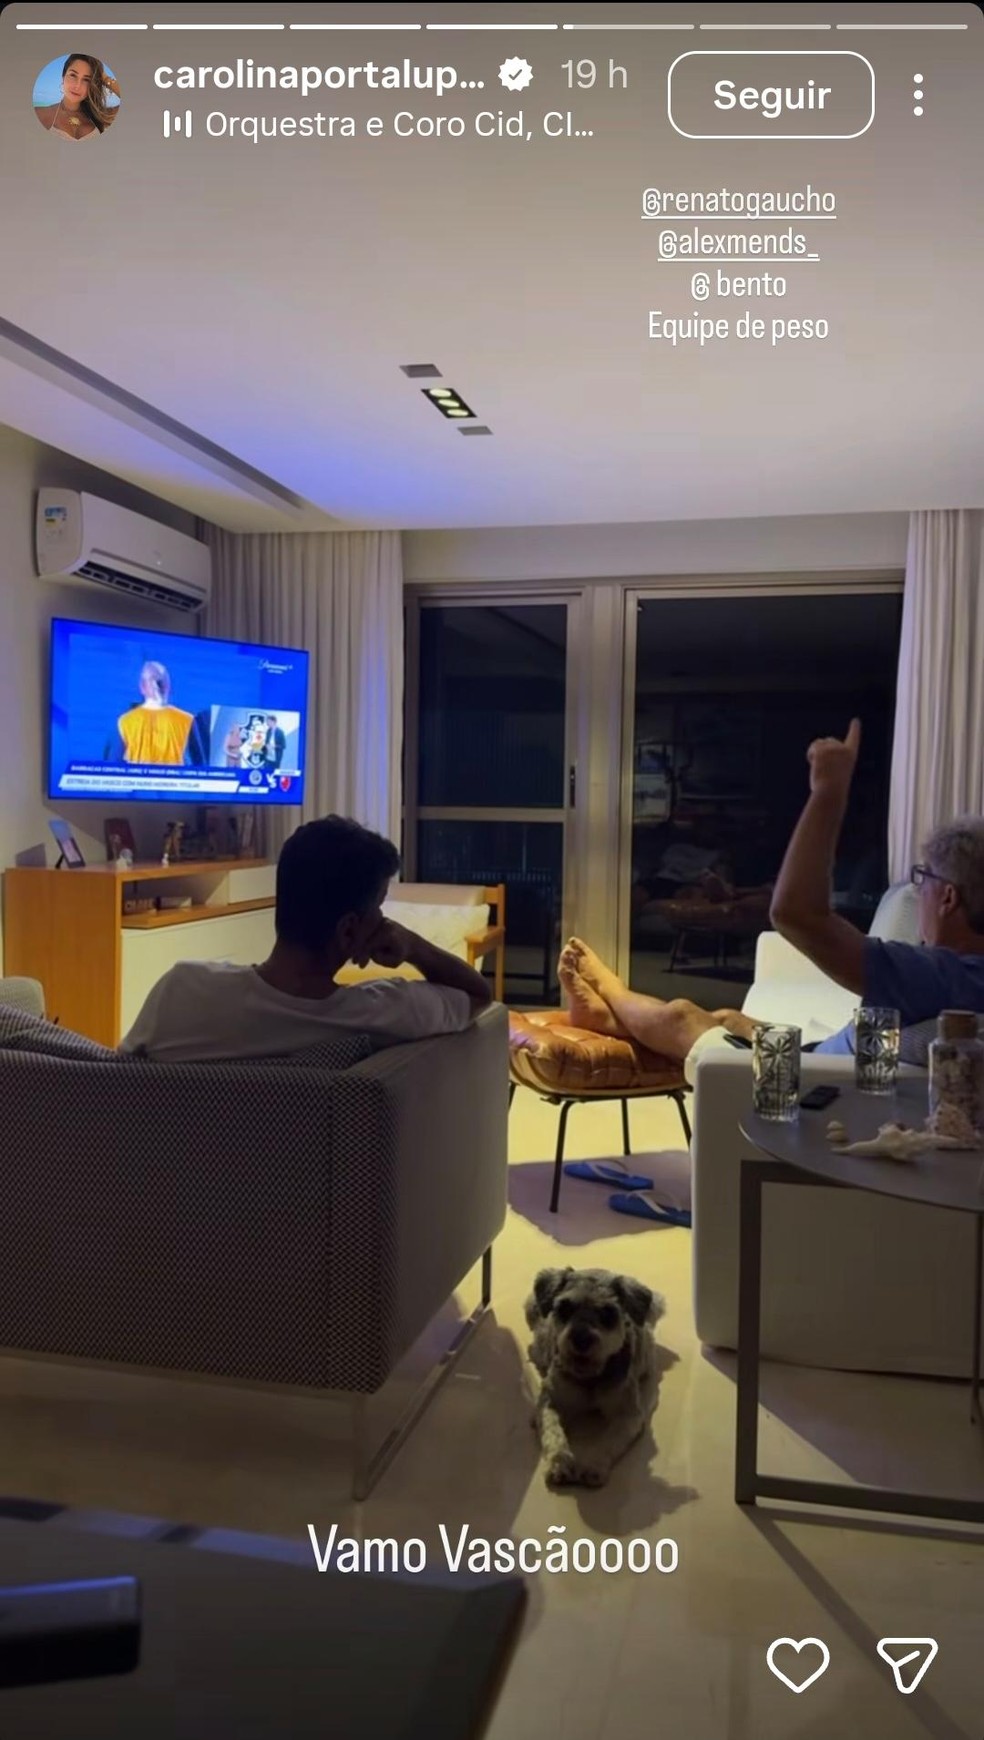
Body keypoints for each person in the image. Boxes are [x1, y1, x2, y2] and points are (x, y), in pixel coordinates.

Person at [555, 720, 984, 1074]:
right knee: (727, 1018)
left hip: (803, 1080)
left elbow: (795, 913)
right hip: (819, 1053)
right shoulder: (955, 972)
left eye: (923, 879)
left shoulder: (943, 975)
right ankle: (610, 1020)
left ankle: (610, 991)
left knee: (681, 1014)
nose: (918, 892)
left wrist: (828, 790)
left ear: (948, 898)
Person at [119, 815, 493, 1062]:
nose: (382, 921)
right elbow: (478, 995)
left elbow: (118, 1082)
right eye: (379, 909)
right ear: (348, 931)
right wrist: (412, 946)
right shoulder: (382, 1015)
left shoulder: (181, 990)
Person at [111, 662, 199, 766]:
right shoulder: (187, 721)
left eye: (160, 680)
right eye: (154, 680)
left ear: (142, 687)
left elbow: (113, 767)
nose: (157, 685)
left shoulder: (126, 722)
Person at [35, 55, 120, 140]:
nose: (77, 86)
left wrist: (105, 78)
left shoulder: (102, 117)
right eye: (73, 75)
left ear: (92, 85)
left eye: (86, 79)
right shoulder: (39, 113)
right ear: (63, 77)